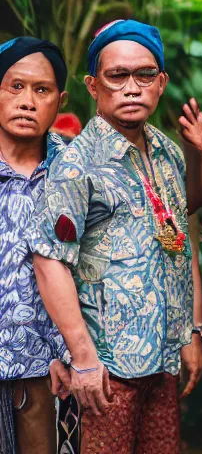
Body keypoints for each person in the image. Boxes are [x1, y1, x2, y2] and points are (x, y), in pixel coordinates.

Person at [29, 19, 202, 453]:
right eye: (117, 76)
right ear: (93, 86)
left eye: (144, 75)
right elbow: (49, 260)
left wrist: (193, 331)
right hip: (105, 370)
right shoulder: (79, 163)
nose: (132, 87)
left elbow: (179, 236)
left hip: (161, 362)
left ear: (161, 83)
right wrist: (82, 359)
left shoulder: (167, 149)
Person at [0, 36, 71, 453]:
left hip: (51, 372)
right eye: (16, 86)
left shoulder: (76, 172)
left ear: (59, 101)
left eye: (41, 90)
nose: (28, 101)